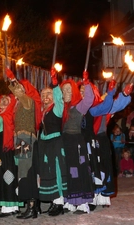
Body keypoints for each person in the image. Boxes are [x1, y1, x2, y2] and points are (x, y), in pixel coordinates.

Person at [86, 81, 133, 208]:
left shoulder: (104, 104)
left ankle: (103, 197)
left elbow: (117, 104)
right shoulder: (83, 106)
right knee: (92, 169)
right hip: (88, 141)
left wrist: (124, 94)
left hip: (102, 140)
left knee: (104, 168)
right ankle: (92, 198)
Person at [6, 69, 42, 219]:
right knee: (23, 171)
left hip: (25, 140)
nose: (17, 91)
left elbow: (20, 93)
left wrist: (13, 79)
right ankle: (32, 206)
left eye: (21, 88)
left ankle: (32, 208)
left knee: (26, 172)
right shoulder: (19, 104)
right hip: (20, 140)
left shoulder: (28, 101)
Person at [60, 72, 95, 214]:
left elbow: (90, 99)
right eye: (64, 90)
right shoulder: (62, 107)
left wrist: (86, 83)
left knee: (78, 170)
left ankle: (82, 203)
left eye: (69, 89)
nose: (66, 92)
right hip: (66, 141)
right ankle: (70, 200)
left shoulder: (79, 105)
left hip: (77, 142)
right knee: (68, 171)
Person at [36, 68, 68, 217]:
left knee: (57, 172)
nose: (45, 96)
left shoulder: (57, 108)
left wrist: (55, 84)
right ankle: (55, 201)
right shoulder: (44, 111)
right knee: (49, 172)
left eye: (48, 94)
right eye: (43, 94)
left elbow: (59, 98)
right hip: (46, 144)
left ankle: (60, 203)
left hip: (56, 143)